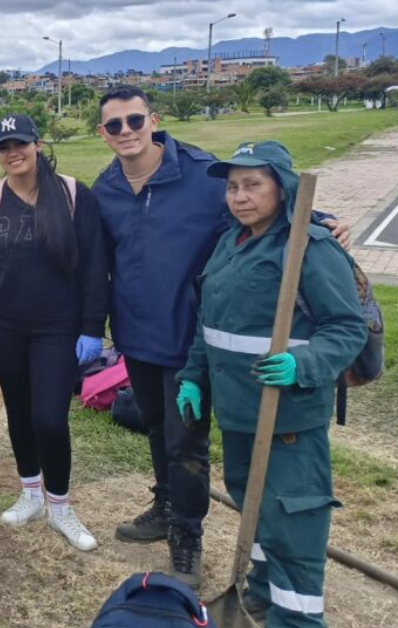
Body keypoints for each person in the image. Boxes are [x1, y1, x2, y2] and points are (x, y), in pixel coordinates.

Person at [89, 85, 351, 587]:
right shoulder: (106, 190)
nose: (126, 131)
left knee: (186, 439)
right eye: (115, 125)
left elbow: (260, 202)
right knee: (155, 426)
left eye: (135, 120)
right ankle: (166, 505)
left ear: (154, 120)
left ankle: (186, 536)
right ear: (103, 133)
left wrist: (317, 222)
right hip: (136, 333)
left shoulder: (199, 174)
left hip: (192, 337)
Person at [177, 140, 366, 628]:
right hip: (239, 414)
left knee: (292, 526)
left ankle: (297, 619)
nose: (240, 196)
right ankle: (258, 593)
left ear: (282, 189)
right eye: (233, 187)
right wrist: (193, 377)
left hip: (285, 418)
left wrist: (302, 365)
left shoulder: (310, 246)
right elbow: (209, 323)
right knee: (253, 509)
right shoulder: (231, 242)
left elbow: (346, 328)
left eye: (253, 185)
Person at [0, 114, 108, 551]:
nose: (12, 153)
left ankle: (59, 506)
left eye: (20, 143)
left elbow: (96, 266)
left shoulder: (73, 194)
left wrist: (91, 327)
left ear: (37, 145)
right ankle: (29, 494)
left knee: (49, 417)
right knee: (19, 412)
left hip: (57, 329)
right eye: (3, 146)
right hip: (2, 325)